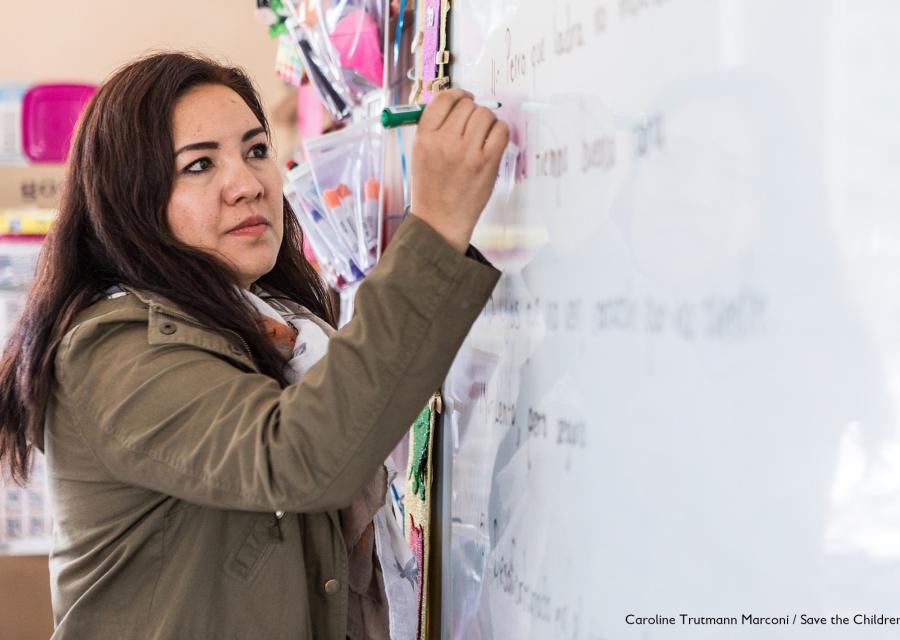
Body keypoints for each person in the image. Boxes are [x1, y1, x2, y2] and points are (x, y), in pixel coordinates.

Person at [0, 52, 508, 639]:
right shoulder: (110, 349)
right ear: (130, 198)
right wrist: (438, 226)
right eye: (198, 166)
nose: (246, 185)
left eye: (257, 150)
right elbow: (301, 454)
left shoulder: (277, 327)